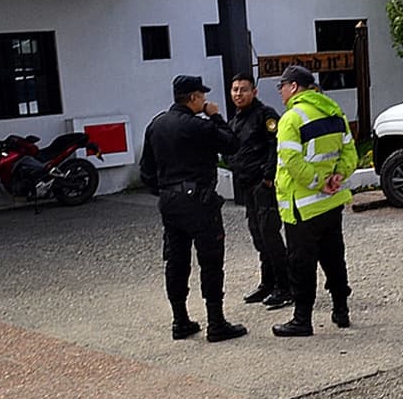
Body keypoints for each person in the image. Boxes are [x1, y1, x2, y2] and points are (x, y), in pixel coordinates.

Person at [139, 75, 247, 343]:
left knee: (176, 261)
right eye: (202, 96)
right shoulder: (199, 126)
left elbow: (146, 172)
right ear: (194, 98)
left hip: (169, 201)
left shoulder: (156, 125)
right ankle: (216, 322)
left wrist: (164, 191)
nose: (205, 100)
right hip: (199, 201)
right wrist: (216, 117)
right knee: (210, 260)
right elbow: (232, 143)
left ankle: (180, 320)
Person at [271, 65, 358, 337]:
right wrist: (337, 177)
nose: (281, 92)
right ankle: (341, 310)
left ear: (294, 86)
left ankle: (301, 319)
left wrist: (318, 182)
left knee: (301, 263)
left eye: (281, 86)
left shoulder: (291, 118)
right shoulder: (334, 112)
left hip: (303, 207)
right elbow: (350, 153)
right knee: (334, 258)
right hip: (331, 204)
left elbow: (292, 161)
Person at [227, 72, 292, 310]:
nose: (238, 94)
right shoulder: (236, 120)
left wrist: (268, 177)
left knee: (270, 235)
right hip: (247, 187)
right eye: (235, 90)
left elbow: (276, 145)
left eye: (243, 89)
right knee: (258, 235)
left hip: (263, 186)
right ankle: (268, 283)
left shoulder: (265, 115)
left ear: (254, 92)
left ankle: (286, 287)